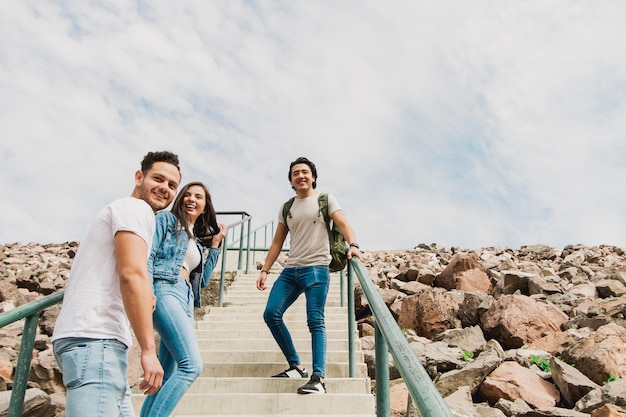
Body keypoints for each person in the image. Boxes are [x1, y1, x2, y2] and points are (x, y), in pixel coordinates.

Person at [52, 151, 181, 416]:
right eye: (158, 178)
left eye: (172, 185)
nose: (164, 188)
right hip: (96, 341)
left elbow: (127, 272)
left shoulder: (123, 210)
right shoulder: (135, 208)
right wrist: (148, 350)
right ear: (138, 177)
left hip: (95, 343)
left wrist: (146, 293)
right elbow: (131, 274)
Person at [256, 157, 363, 394]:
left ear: (313, 177)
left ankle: (318, 378)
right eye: (296, 173)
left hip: (317, 268)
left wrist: (353, 244)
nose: (301, 176)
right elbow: (277, 241)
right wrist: (265, 269)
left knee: (315, 320)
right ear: (291, 180)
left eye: (305, 172)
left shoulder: (325, 199)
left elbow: (343, 223)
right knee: (271, 314)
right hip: (291, 269)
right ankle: (295, 366)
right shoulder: (287, 207)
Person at [140, 182, 227, 417]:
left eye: (198, 197)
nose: (191, 199)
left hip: (186, 298)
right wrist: (147, 290)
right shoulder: (165, 221)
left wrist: (215, 245)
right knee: (191, 366)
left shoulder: (195, 241)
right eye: (187, 194)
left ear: (204, 206)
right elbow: (149, 255)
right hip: (165, 288)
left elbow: (204, 279)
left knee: (166, 377)